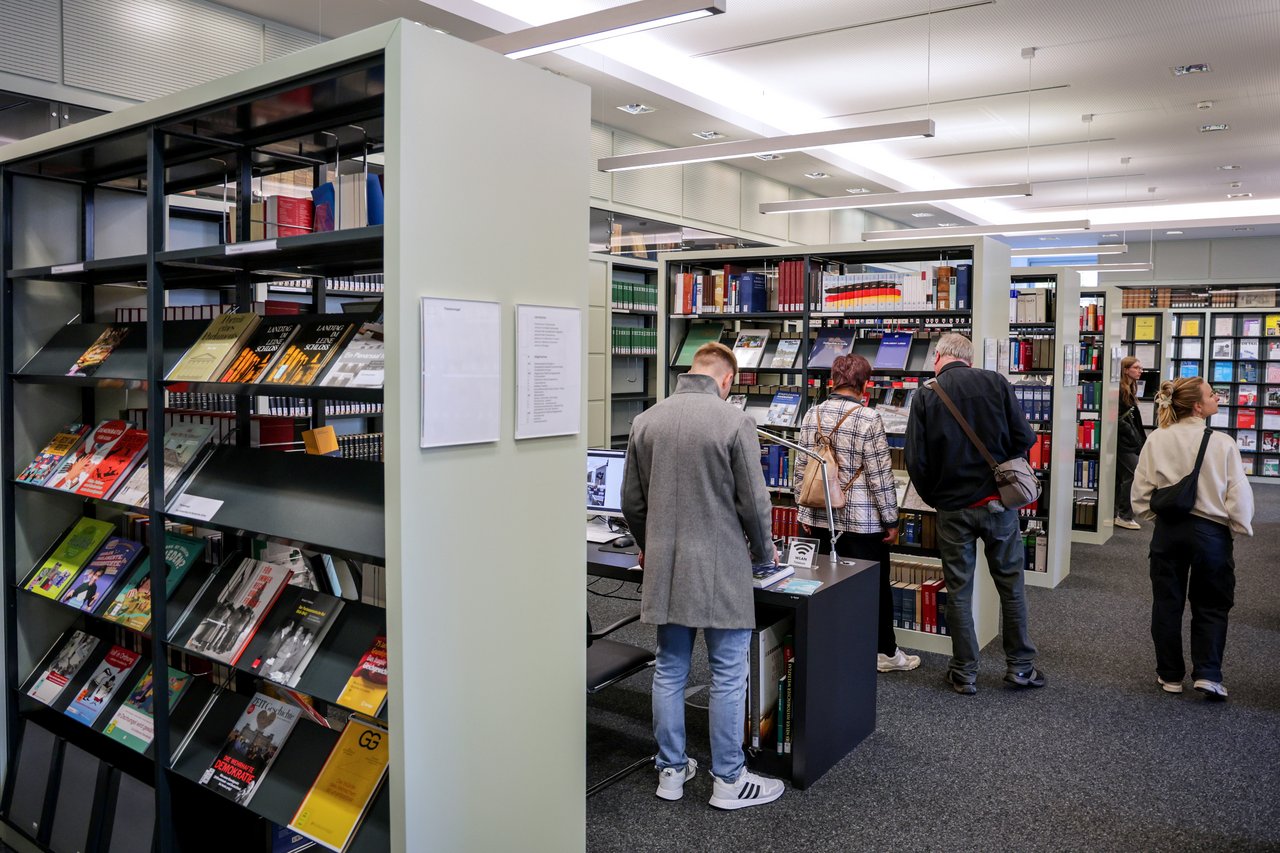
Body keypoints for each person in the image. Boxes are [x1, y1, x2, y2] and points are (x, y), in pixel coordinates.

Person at [622, 341, 784, 810]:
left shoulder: (645, 421)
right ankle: (728, 781)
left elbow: (632, 502)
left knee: (669, 669)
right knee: (728, 675)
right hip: (722, 567)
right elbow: (754, 504)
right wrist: (765, 553)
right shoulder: (735, 420)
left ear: (692, 370)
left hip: (667, 567)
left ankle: (670, 772)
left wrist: (649, 546)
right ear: (727, 380)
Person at [904, 333, 1042, 695]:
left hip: (953, 508)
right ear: (968, 357)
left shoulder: (926, 394)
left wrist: (938, 498)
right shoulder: (996, 382)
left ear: (939, 357)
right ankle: (1021, 668)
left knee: (959, 590)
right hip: (998, 504)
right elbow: (1025, 438)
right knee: (1011, 586)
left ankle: (964, 672)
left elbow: (916, 460)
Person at [794, 353, 918, 673]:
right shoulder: (868, 418)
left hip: (819, 516)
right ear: (864, 384)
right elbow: (880, 476)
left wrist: (803, 514)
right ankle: (885, 653)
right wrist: (890, 521)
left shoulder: (812, 414)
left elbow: (800, 470)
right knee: (873, 588)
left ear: (834, 380)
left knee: (821, 584)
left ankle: (830, 645)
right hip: (861, 522)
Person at [1131, 377, 1253, 700]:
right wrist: (1238, 527)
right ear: (1198, 406)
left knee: (1166, 604)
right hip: (1210, 535)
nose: (1217, 397)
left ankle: (1169, 675)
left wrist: (1160, 519)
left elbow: (1140, 497)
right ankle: (1208, 674)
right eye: (1212, 394)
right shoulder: (1223, 443)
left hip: (1168, 533)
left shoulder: (1157, 439)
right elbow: (1239, 499)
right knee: (1212, 603)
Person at [1114, 356, 1147, 529]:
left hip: (1128, 441)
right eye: (1136, 367)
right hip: (1122, 442)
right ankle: (1124, 516)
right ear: (1126, 370)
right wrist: (1131, 434)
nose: (1140, 370)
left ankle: (1116, 513)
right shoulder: (1120, 389)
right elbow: (1117, 418)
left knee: (1121, 477)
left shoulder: (1129, 388)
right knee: (1133, 474)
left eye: (1140, 367)